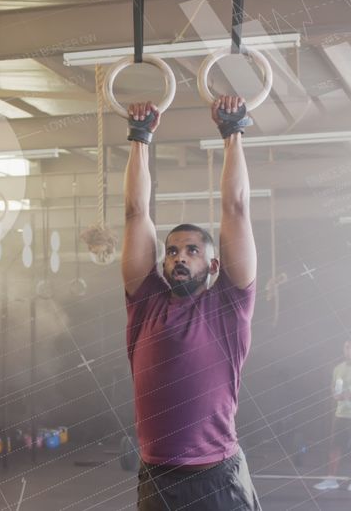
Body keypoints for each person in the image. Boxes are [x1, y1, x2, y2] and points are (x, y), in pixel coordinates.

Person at [123, 96, 260, 510]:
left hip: (217, 476)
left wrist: (232, 131)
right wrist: (140, 136)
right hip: (158, 478)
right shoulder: (145, 302)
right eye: (172, 251)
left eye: (192, 251)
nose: (180, 257)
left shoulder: (229, 305)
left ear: (213, 263)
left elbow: (236, 208)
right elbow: (135, 212)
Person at [314, 340, 351, 493]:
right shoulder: (338, 368)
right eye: (346, 348)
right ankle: (331, 479)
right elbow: (334, 387)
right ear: (343, 349)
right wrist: (335, 393)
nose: (349, 351)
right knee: (335, 447)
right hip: (340, 413)